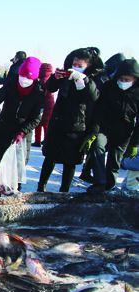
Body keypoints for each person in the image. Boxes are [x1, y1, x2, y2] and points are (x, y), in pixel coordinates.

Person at [0, 57, 44, 198]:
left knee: (17, 163)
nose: (24, 79)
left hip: (22, 133)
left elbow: (36, 118)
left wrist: (22, 132)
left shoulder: (38, 92)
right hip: (4, 127)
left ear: (34, 78)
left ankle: (14, 189)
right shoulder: (11, 84)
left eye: (28, 77)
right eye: (22, 75)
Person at [37, 47, 102, 192]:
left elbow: (94, 97)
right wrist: (56, 77)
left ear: (88, 66)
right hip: (58, 122)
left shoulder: (92, 79)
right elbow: (50, 87)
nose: (75, 68)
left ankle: (64, 191)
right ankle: (41, 187)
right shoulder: (66, 76)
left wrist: (82, 79)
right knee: (50, 156)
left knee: (70, 160)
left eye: (80, 66)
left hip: (76, 126)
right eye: (74, 64)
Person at [82, 58, 139, 193]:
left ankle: (110, 187)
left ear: (135, 79)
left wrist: (134, 143)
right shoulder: (110, 86)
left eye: (127, 80)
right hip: (106, 127)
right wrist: (93, 132)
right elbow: (99, 110)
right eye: (121, 78)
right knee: (97, 146)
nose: (123, 82)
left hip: (125, 132)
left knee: (114, 161)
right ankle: (100, 182)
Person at [79, 52, 126, 183]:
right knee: (97, 147)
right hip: (97, 117)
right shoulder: (104, 78)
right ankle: (89, 172)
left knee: (97, 147)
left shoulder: (105, 76)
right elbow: (97, 101)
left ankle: (86, 171)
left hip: (99, 117)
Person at [32, 63, 55, 147]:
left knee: (38, 122)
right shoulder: (51, 79)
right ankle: (46, 140)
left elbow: (42, 93)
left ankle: (37, 140)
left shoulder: (43, 80)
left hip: (43, 104)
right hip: (50, 103)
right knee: (46, 123)